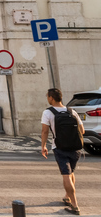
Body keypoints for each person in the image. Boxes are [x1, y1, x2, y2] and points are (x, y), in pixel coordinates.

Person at [40, 87, 85, 215]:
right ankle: (67, 197)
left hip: (60, 147)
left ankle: (74, 205)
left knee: (66, 174)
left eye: (48, 97)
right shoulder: (72, 111)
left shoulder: (48, 112)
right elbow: (82, 131)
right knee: (71, 173)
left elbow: (45, 131)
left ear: (51, 98)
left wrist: (43, 146)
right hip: (75, 148)